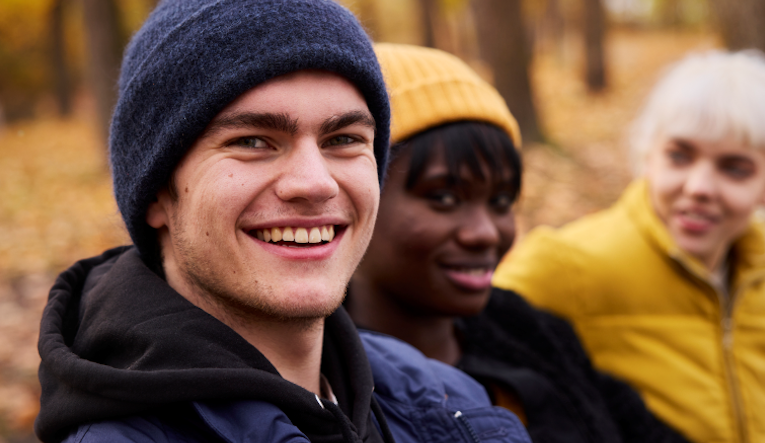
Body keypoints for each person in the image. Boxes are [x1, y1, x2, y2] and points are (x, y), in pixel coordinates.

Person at [34, 2, 530, 442]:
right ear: (157, 193)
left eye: (344, 140)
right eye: (252, 141)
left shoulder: (443, 395)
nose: (316, 184)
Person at [346, 43, 688, 443]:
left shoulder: (528, 332)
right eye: (444, 198)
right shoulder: (328, 384)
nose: (486, 232)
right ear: (360, 192)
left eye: (501, 201)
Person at [493, 50, 765, 443]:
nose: (698, 188)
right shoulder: (570, 265)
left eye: (734, 168)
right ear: (649, 156)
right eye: (679, 156)